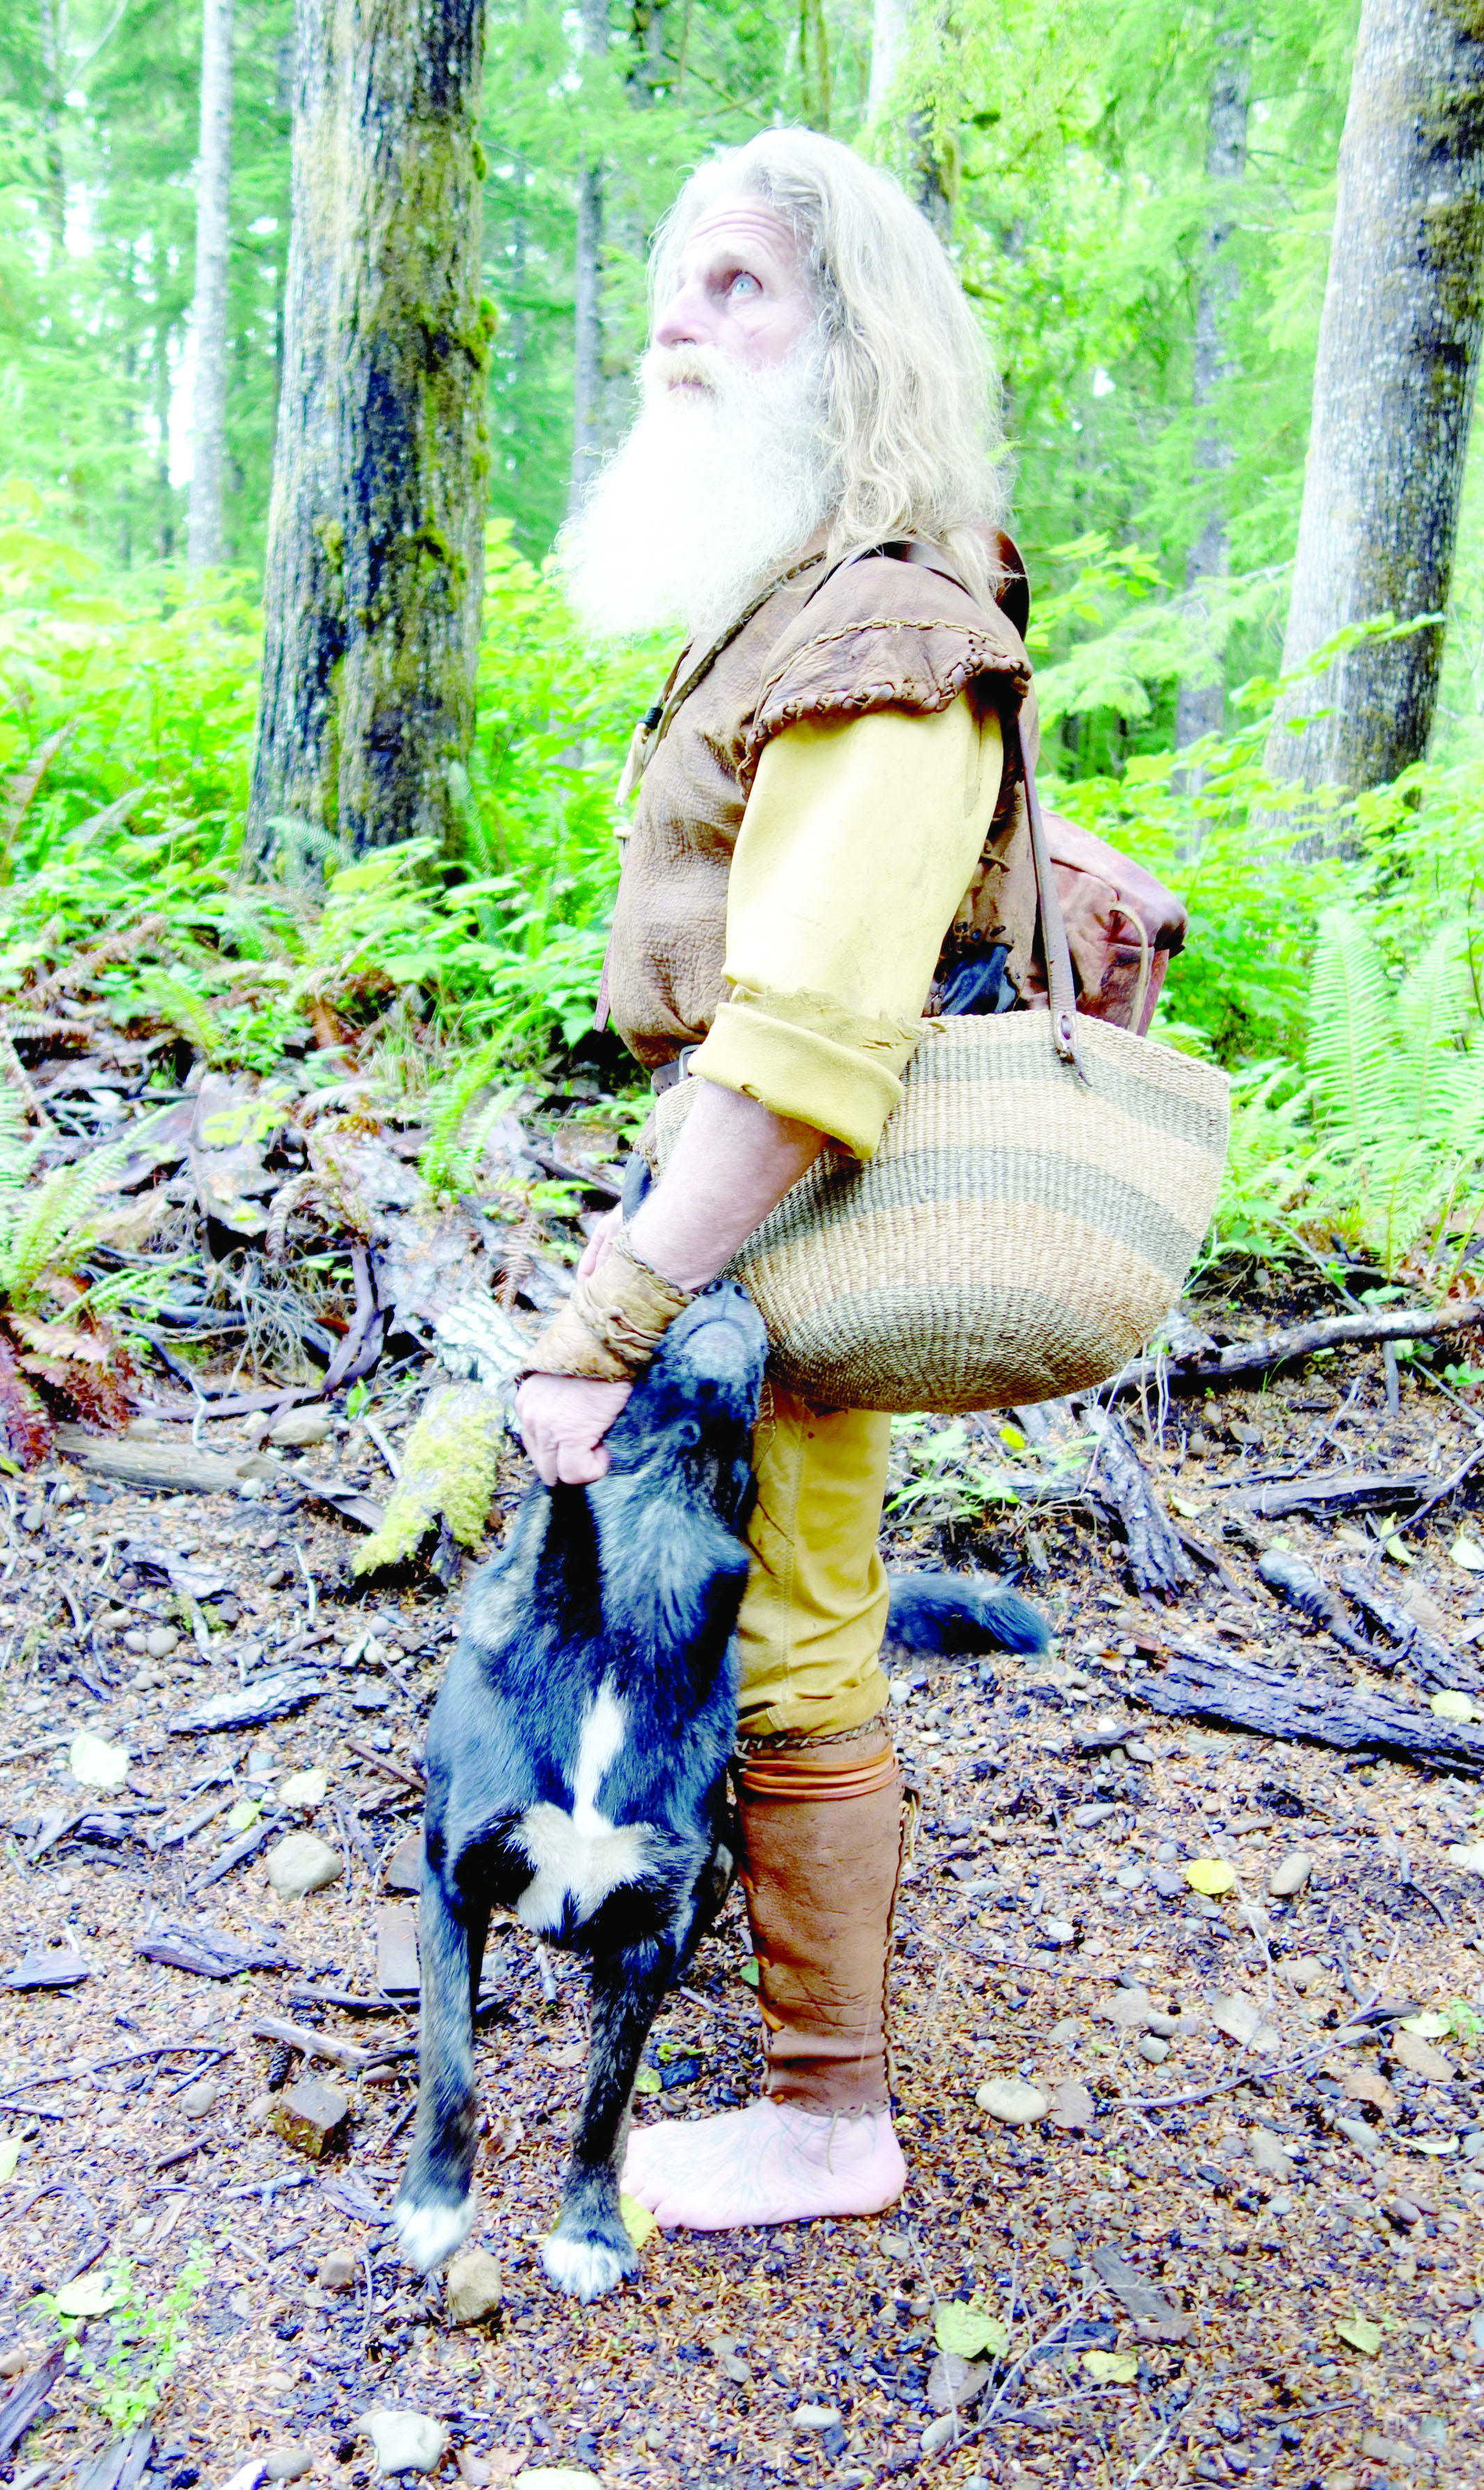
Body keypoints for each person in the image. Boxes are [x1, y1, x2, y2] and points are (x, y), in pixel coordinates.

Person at [514, 127, 1040, 2234]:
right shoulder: (808, 612)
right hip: (748, 1200)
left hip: (799, 1208)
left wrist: (605, 1317)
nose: (679, 322)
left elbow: (807, 1052)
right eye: (670, 281)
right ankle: (775, 2034)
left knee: (801, 1624)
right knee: (765, 1600)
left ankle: (828, 2118)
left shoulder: (881, 636)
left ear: (858, 339)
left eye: (742, 285)